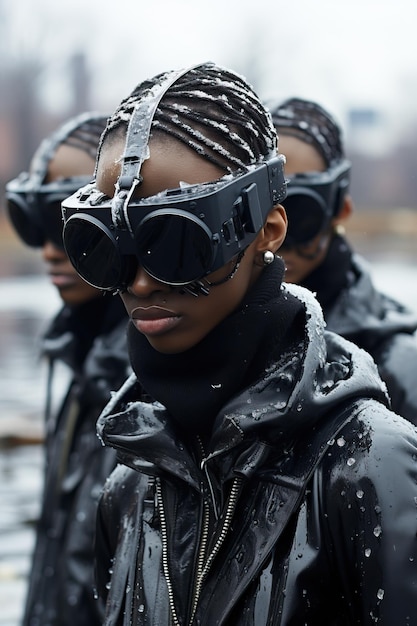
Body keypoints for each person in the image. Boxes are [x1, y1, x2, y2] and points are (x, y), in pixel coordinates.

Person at [61, 64, 417, 625]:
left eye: (177, 241)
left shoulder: (369, 466)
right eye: (108, 248)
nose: (140, 283)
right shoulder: (131, 484)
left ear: (269, 230)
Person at [5, 112, 132, 626]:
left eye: (72, 228)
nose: (52, 251)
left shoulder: (147, 382)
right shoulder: (78, 358)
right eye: (37, 225)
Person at [269, 97, 417, 424]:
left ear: (339, 210)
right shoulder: (180, 341)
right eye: (256, 220)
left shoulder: (400, 367)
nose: (276, 240)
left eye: (301, 214)